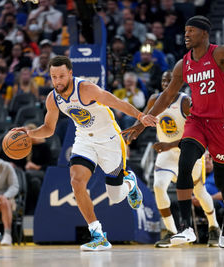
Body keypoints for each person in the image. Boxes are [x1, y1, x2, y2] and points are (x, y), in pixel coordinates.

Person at [123, 15, 224, 249]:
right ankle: (186, 228)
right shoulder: (182, 63)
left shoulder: (219, 53)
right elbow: (166, 96)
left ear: (204, 34)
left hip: (223, 124)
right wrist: (143, 121)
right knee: (185, 165)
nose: (186, 35)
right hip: (197, 121)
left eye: (191, 31)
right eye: (185, 31)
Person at [13, 56, 156, 251]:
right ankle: (97, 234)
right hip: (84, 140)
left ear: (70, 73)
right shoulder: (52, 99)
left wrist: (140, 116)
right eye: (54, 77)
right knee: (76, 181)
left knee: (115, 196)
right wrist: (29, 134)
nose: (58, 81)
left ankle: (130, 182)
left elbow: (116, 102)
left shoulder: (86, 89)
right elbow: (48, 128)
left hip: (109, 140)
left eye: (62, 76)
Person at [141, 71, 220, 248]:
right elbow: (143, 119)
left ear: (179, 83)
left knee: (199, 192)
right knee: (158, 187)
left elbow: (198, 133)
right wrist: (131, 131)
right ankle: (171, 231)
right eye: (163, 80)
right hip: (167, 153)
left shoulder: (186, 102)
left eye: (170, 81)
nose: (166, 83)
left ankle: (214, 226)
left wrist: (169, 145)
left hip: (189, 151)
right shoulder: (155, 100)